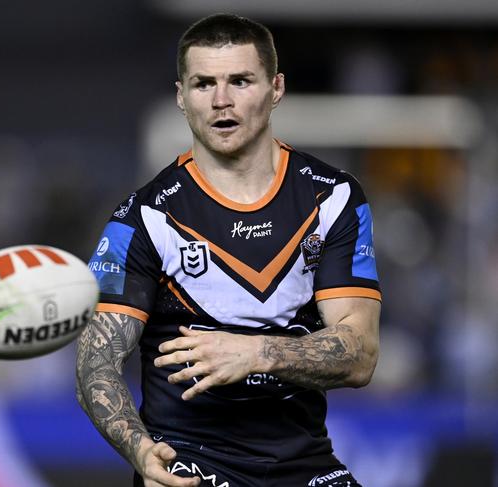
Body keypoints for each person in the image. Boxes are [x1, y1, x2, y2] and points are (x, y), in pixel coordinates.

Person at [76, 13, 381, 487]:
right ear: (181, 96)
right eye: (203, 84)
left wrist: (255, 352)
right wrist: (139, 449)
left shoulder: (333, 198)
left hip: (304, 464)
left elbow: (360, 355)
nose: (222, 101)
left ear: (275, 88)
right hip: (192, 463)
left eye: (240, 81)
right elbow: (95, 363)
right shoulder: (143, 217)